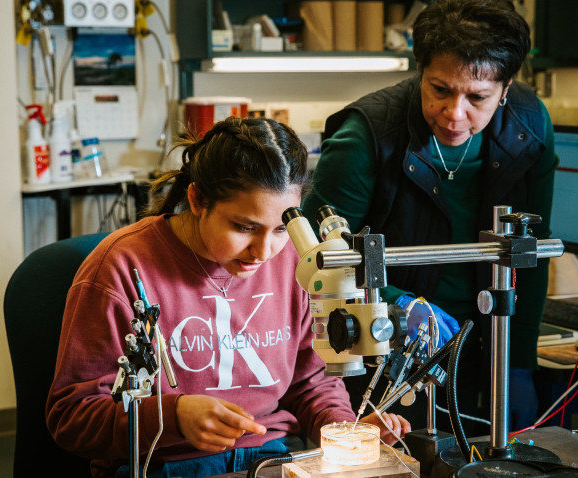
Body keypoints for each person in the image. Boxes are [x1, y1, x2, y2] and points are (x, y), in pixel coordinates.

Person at [46, 117, 410, 478]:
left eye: (281, 229)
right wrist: (172, 417)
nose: (263, 252)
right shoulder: (122, 268)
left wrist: (344, 429)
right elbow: (71, 417)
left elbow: (310, 382)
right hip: (165, 464)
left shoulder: (296, 262)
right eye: (244, 227)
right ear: (197, 199)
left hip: (271, 458)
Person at [301, 0, 557, 435]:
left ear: (506, 88)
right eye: (440, 89)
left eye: (477, 97)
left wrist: (518, 365)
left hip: (486, 340)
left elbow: (532, 253)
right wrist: (398, 302)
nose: (455, 113)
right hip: (384, 349)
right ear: (420, 72)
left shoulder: (529, 127)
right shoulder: (367, 135)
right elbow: (312, 259)